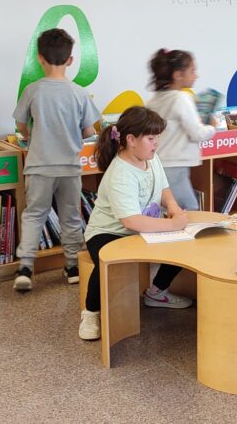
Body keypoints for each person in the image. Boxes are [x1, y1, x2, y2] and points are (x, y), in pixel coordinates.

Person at [78, 106, 193, 341]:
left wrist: (172, 207)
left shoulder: (151, 158)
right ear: (131, 140)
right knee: (107, 259)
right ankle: (90, 313)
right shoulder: (121, 172)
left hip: (142, 227)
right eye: (151, 138)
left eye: (157, 138)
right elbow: (130, 220)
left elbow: (164, 189)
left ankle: (157, 292)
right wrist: (173, 225)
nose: (156, 143)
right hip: (109, 232)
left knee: (184, 245)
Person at [12, 28, 99, 291]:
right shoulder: (79, 93)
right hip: (70, 167)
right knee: (70, 216)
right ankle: (72, 266)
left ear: (40, 58)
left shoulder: (33, 90)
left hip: (39, 165)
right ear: (70, 60)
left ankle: (25, 268)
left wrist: (29, 135)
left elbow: (20, 124)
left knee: (34, 215)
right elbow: (89, 131)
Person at [145, 49, 216, 211]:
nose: (196, 75)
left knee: (166, 208)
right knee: (190, 208)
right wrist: (212, 127)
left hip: (157, 163)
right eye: (192, 71)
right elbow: (197, 133)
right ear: (178, 75)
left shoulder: (154, 100)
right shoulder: (181, 98)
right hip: (175, 165)